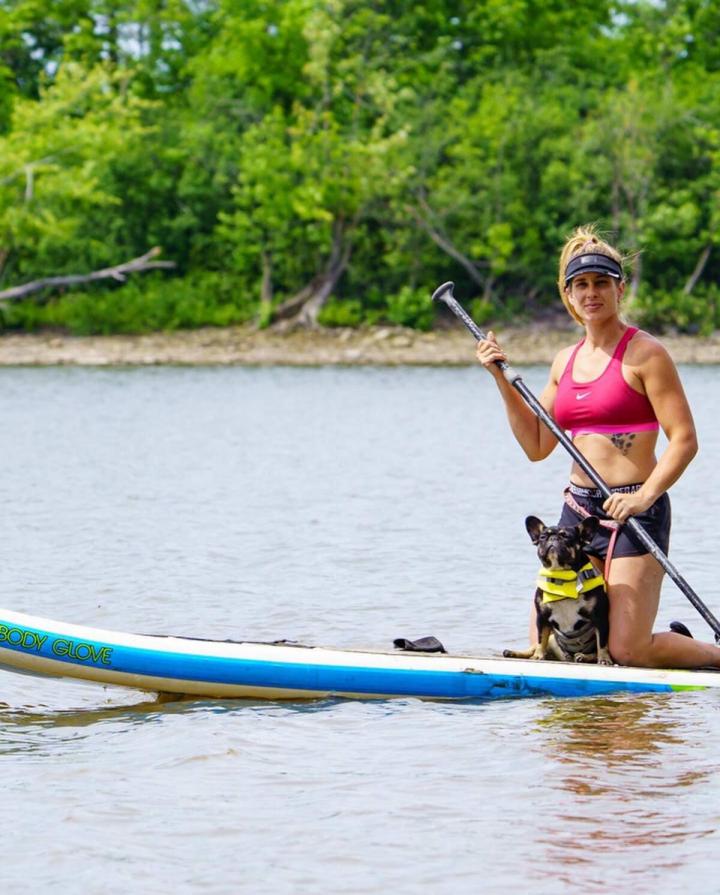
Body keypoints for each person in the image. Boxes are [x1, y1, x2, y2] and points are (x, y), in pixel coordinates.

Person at [476, 224, 720, 668]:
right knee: (552, 647)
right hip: (578, 513)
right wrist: (501, 379)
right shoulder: (564, 362)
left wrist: (644, 496)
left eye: (601, 283)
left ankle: (710, 655)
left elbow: (685, 440)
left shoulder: (647, 354)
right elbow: (535, 445)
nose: (591, 293)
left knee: (628, 651)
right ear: (568, 295)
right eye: (581, 285)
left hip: (636, 510)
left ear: (619, 289)